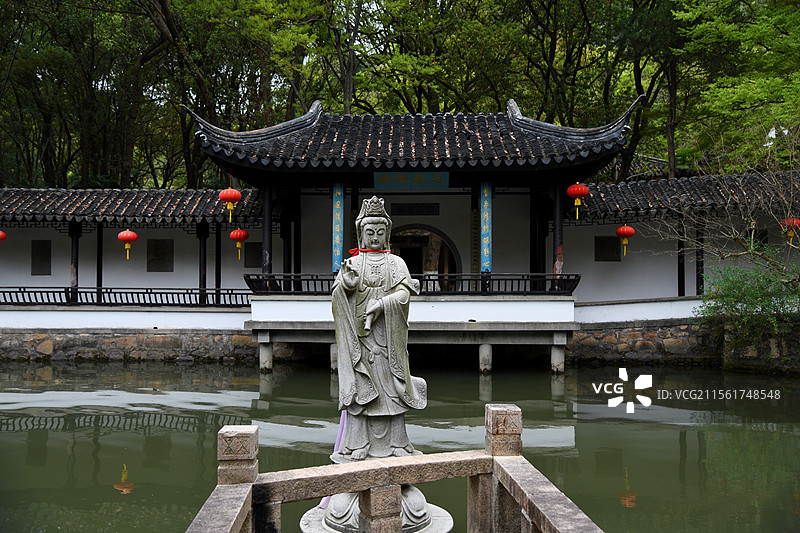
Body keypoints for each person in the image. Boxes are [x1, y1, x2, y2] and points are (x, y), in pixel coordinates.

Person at [331, 196, 426, 461]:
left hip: (387, 339)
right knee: (362, 393)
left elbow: (405, 295)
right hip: (361, 339)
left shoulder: (396, 263)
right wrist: (346, 286)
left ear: (387, 234)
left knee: (393, 391)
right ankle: (358, 443)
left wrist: (382, 304)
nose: (375, 237)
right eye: (370, 232)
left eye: (380, 232)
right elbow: (338, 296)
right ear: (361, 233)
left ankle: (397, 443)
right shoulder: (353, 263)